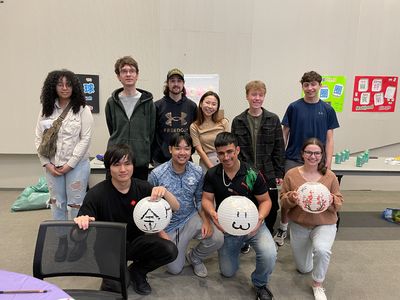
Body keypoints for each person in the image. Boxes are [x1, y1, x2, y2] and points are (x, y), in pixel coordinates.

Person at [74, 144, 180, 296]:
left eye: (127, 164)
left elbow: (176, 207)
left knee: (170, 250)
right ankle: (114, 276)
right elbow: (76, 236)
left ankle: (138, 271)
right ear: (108, 168)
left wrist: (165, 192)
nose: (123, 170)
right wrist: (81, 223)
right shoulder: (96, 194)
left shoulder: (143, 188)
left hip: (136, 243)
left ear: (133, 165)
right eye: (116, 165)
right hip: (108, 247)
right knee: (117, 288)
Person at [202, 132, 277, 300]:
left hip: (254, 226)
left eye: (229, 152)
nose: (226, 157)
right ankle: (239, 246)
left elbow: (265, 201)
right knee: (228, 272)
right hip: (228, 228)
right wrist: (213, 214)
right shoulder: (213, 173)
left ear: (237, 150)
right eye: (221, 153)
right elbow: (206, 199)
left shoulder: (252, 173)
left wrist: (259, 219)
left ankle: (260, 283)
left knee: (269, 254)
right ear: (217, 153)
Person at [274, 71, 340, 247]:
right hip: (294, 159)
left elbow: (330, 138)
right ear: (302, 86)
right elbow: (284, 134)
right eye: (306, 85)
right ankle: (283, 227)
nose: (310, 88)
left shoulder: (327, 109)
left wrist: (328, 162)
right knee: (289, 197)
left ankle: (313, 229)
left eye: (313, 84)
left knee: (314, 196)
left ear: (320, 85)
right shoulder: (294, 107)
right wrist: (280, 159)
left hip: (317, 162)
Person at [35, 69, 93, 262]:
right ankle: (61, 241)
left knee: (76, 205)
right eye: (60, 84)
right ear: (54, 86)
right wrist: (46, 164)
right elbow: (38, 138)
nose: (65, 88)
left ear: (74, 86)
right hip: (52, 166)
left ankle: (79, 241)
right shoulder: (46, 110)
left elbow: (85, 139)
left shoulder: (83, 109)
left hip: (77, 166)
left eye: (68, 84)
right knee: (57, 205)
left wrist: (70, 164)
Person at [148, 132, 223, 277]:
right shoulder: (157, 174)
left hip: (191, 217)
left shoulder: (197, 171)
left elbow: (200, 199)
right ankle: (177, 250)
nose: (182, 153)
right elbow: (149, 208)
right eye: (178, 148)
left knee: (217, 238)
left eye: (187, 148)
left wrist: (206, 221)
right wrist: (160, 233)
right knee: (175, 269)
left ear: (191, 151)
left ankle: (195, 257)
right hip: (169, 225)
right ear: (170, 149)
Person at [280, 138, 343, 300]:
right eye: (309, 152)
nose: (312, 156)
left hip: (324, 223)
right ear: (302, 154)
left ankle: (318, 284)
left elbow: (339, 202)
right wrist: (291, 198)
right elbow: (283, 202)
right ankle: (310, 253)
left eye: (317, 153)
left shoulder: (329, 176)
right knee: (303, 268)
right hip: (299, 224)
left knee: (322, 250)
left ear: (322, 155)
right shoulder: (292, 175)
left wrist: (331, 200)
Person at [232, 80, 285, 254]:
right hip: (246, 172)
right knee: (246, 206)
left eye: (260, 95)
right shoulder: (238, 121)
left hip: (267, 171)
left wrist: (279, 172)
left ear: (264, 96)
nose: (257, 98)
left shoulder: (273, 119)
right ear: (247, 96)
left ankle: (266, 235)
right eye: (253, 94)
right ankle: (245, 238)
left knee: (271, 208)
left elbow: (279, 147)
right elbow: (235, 150)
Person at [105, 56, 155, 180]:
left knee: (138, 197)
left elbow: (151, 132)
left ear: (137, 75)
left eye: (132, 71)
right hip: (117, 160)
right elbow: (112, 129)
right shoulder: (112, 102)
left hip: (139, 161)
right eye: (124, 71)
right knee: (114, 197)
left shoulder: (148, 102)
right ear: (118, 76)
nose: (128, 74)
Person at [152, 68, 197, 165]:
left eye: (179, 81)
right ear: (167, 83)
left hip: (184, 159)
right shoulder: (157, 106)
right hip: (161, 160)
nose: (176, 84)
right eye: (172, 81)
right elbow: (151, 133)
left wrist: (190, 151)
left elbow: (195, 133)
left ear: (183, 83)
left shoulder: (192, 106)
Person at [190, 91, 229, 172]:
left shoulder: (224, 122)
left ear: (217, 107)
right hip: (206, 162)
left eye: (214, 104)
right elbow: (200, 151)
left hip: (224, 160)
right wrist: (212, 169)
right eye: (207, 103)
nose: (210, 106)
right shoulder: (194, 126)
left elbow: (228, 145)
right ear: (201, 104)